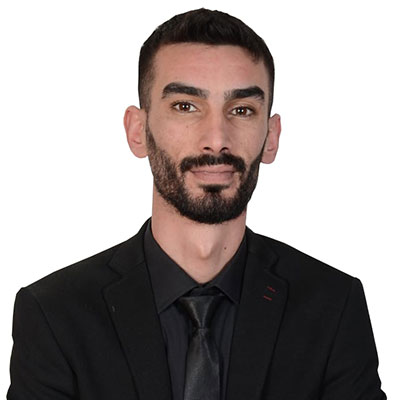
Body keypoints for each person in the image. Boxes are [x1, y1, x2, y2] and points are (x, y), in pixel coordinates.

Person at [7, 8, 386, 400]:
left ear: (271, 137)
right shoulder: (56, 315)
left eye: (242, 110)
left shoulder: (333, 307)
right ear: (138, 131)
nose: (216, 139)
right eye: (185, 106)